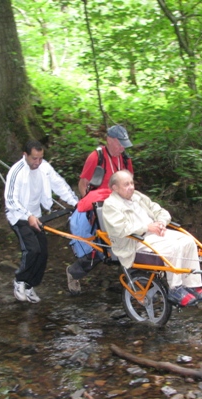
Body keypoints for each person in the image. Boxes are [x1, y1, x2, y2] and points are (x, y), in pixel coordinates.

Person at [101, 170, 202, 307]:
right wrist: (147, 227)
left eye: (132, 183)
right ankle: (175, 288)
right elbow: (120, 228)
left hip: (153, 233)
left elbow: (159, 211)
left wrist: (162, 222)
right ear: (114, 188)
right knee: (174, 247)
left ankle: (192, 285)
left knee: (188, 241)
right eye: (126, 185)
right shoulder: (110, 205)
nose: (131, 187)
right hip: (133, 241)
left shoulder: (138, 196)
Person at [5, 139, 79, 303]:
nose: (37, 162)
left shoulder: (44, 167)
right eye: (34, 158)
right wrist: (27, 215)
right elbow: (10, 200)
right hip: (18, 216)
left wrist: (76, 203)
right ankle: (19, 280)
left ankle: (30, 285)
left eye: (40, 158)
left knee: (43, 252)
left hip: (36, 216)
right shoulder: (16, 171)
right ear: (25, 155)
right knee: (32, 250)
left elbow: (59, 184)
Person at [66, 125, 134, 294]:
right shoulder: (96, 157)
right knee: (99, 250)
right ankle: (73, 273)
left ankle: (135, 280)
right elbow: (83, 184)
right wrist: (91, 209)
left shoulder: (125, 160)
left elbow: (130, 185)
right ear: (109, 140)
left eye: (124, 144)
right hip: (100, 209)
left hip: (120, 208)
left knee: (131, 241)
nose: (122, 148)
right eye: (119, 144)